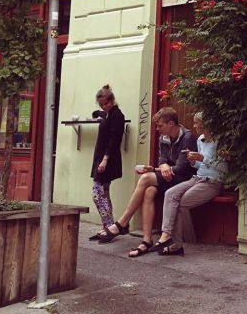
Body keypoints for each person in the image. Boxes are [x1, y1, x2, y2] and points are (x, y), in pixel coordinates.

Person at [96, 107, 197, 256]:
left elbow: (182, 168)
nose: (157, 129)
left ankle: (122, 223)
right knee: (149, 191)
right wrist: (163, 165)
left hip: (183, 179)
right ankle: (146, 240)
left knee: (145, 178)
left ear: (171, 124)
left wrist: (158, 169)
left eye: (160, 125)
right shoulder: (163, 138)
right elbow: (162, 159)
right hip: (168, 177)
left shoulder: (187, 137)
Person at [155, 111, 228, 256]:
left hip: (212, 182)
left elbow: (224, 169)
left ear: (205, 124)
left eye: (196, 123)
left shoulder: (219, 141)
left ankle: (177, 244)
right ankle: (166, 235)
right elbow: (199, 166)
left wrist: (202, 159)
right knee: (170, 194)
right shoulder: (200, 139)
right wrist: (193, 162)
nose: (194, 126)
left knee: (180, 202)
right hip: (197, 178)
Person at [86, 85, 125, 242]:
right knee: (104, 194)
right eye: (101, 104)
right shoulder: (108, 114)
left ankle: (109, 227)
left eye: (106, 103)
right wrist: (97, 113)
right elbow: (100, 113)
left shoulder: (117, 116)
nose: (104, 106)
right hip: (101, 158)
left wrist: (105, 160)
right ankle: (107, 228)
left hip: (107, 160)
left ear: (112, 100)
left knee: (97, 194)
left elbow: (114, 140)